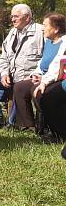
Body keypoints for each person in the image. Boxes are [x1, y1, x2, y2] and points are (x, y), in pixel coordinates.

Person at [0, 4, 43, 129]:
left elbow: (47, 58)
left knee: (19, 87)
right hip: (11, 75)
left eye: (16, 17)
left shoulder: (40, 32)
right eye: (12, 16)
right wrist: (4, 73)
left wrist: (35, 75)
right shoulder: (12, 33)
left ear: (27, 17)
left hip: (28, 78)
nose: (13, 19)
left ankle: (14, 122)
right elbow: (4, 57)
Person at [28, 12, 66, 141]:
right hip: (52, 78)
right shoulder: (48, 41)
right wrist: (37, 74)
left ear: (56, 29)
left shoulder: (64, 42)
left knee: (46, 95)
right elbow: (43, 62)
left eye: (45, 25)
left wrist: (44, 81)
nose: (42, 28)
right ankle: (33, 126)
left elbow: (57, 66)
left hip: (59, 79)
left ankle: (57, 132)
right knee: (25, 88)